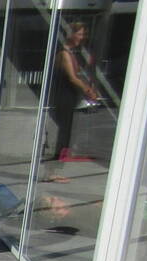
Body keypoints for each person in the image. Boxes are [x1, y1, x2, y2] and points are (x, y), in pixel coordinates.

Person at [49, 22, 99, 163]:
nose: (82, 37)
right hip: (63, 94)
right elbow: (72, 77)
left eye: (83, 34)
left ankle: (64, 152)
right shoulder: (64, 54)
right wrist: (88, 91)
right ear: (71, 34)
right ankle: (60, 155)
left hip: (69, 94)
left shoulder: (72, 53)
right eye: (80, 34)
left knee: (68, 124)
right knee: (64, 125)